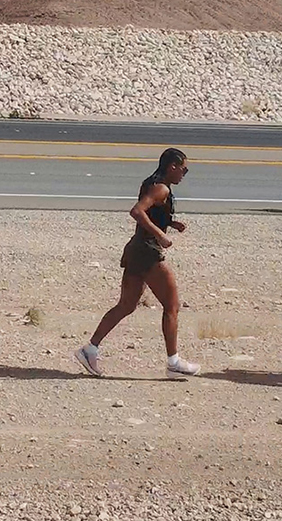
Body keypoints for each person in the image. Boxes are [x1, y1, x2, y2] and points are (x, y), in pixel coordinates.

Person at [75, 148, 201, 380]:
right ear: (172, 166)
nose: (184, 174)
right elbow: (137, 211)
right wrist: (161, 235)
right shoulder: (161, 188)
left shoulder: (152, 183)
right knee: (172, 305)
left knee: (126, 305)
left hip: (135, 250)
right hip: (147, 252)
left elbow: (151, 213)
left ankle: (90, 349)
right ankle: (173, 362)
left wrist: (170, 223)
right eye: (184, 169)